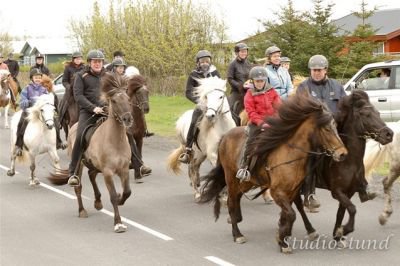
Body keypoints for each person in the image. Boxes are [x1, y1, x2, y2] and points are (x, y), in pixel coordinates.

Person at [297, 54, 376, 211]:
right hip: (315, 130)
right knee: (312, 154)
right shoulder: (304, 87)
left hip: (336, 129)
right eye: (313, 70)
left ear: (326, 70)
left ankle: (362, 187)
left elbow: (345, 106)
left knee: (356, 148)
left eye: (319, 70)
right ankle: (309, 194)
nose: (316, 73)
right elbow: (301, 110)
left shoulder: (336, 86)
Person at [67, 50, 151, 186]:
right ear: (89, 62)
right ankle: (73, 173)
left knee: (127, 133)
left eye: (99, 61)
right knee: (80, 135)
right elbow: (78, 96)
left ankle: (138, 165)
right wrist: (93, 108)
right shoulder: (81, 76)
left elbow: (118, 91)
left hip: (108, 111)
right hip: (88, 112)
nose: (97, 64)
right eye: (94, 61)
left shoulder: (108, 75)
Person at [236, 66, 281, 180]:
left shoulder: (272, 91)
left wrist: (274, 120)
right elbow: (251, 112)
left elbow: (278, 107)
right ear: (253, 81)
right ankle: (244, 166)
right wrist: (261, 123)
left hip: (272, 122)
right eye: (257, 81)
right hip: (256, 123)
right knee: (250, 141)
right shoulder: (249, 94)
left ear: (265, 80)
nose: (260, 83)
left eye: (262, 81)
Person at [178, 50, 221, 164]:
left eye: (207, 61)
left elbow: (219, 88)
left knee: (230, 115)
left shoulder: (215, 73)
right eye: (202, 61)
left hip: (215, 104)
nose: (205, 63)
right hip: (202, 104)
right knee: (193, 122)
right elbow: (188, 92)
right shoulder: (193, 74)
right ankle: (188, 149)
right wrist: (200, 101)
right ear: (198, 63)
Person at [14, 69, 48, 156]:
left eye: (39, 78)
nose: (38, 79)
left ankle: (58, 140)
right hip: (29, 110)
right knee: (21, 123)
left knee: (54, 119)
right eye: (36, 77)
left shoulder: (44, 89)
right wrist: (27, 102)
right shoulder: (26, 89)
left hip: (41, 111)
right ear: (32, 78)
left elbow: (48, 99)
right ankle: (19, 145)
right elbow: (22, 101)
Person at [227, 42, 252, 125]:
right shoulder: (232, 64)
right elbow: (230, 79)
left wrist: (250, 81)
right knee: (230, 107)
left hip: (248, 91)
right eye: (242, 51)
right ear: (237, 53)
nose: (244, 53)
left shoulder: (248, 63)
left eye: (245, 51)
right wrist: (240, 86)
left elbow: (251, 76)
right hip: (237, 92)